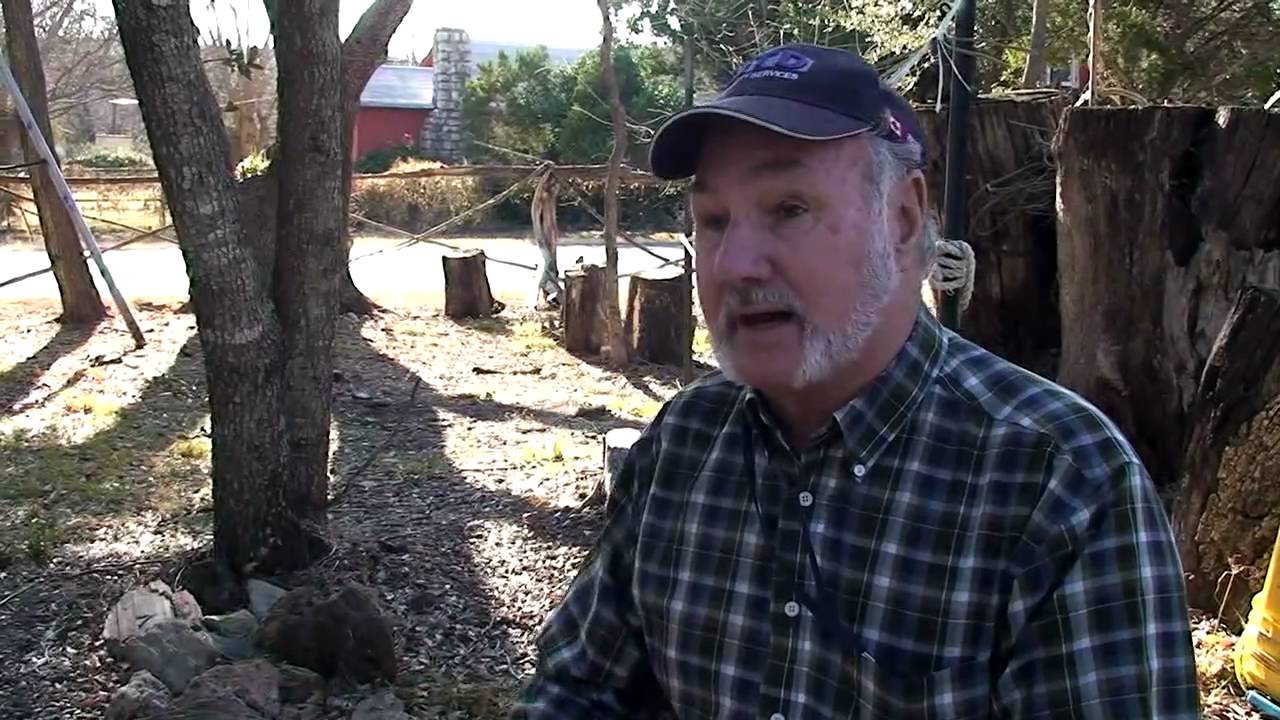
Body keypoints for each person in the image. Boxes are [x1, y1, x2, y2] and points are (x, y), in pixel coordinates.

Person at [511, 44, 1201, 719]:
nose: (735, 265)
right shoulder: (684, 445)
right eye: (714, 220)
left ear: (901, 219)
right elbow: (575, 688)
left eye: (789, 209)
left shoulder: (1059, 483)